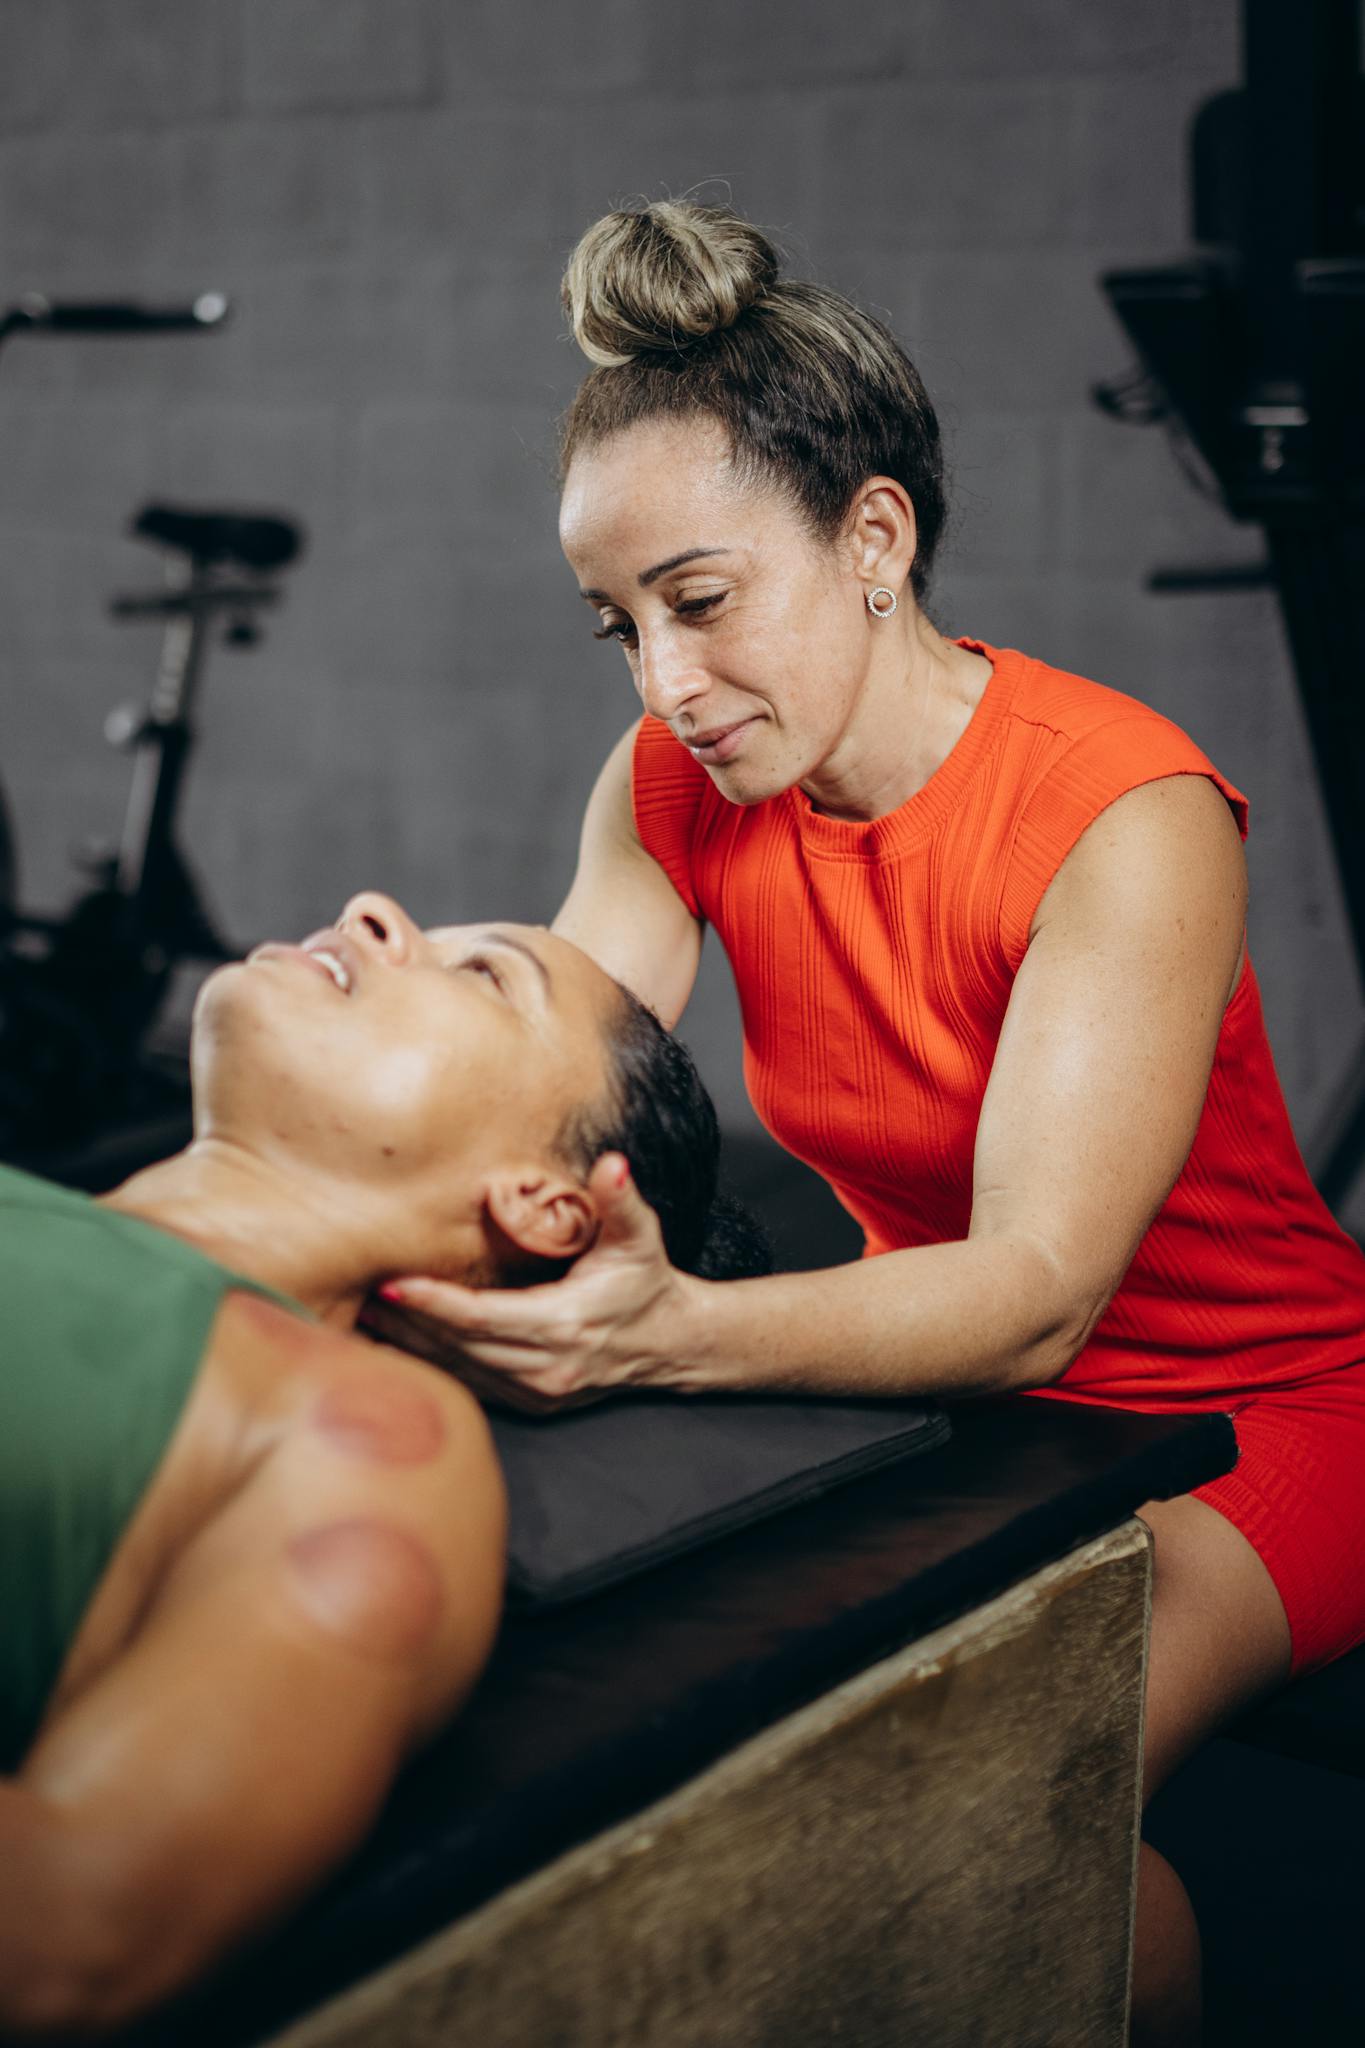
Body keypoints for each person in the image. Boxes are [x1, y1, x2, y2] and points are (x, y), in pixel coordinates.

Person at [378, 203, 1365, 2047]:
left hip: (1248, 1413)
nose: (665, 681)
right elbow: (559, 1081)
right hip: (938, 1395)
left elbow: (1043, 1289)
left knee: (979, 1780)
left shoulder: (1121, 810)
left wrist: (666, 1330)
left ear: (876, 538)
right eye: (620, 625)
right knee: (731, 1765)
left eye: (701, 598)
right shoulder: (679, 776)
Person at [0, 890, 760, 2036]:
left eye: (483, 974)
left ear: (545, 1204)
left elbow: (71, 1937)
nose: (374, 908)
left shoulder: (348, 1429)